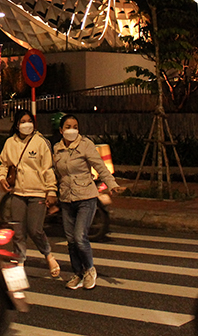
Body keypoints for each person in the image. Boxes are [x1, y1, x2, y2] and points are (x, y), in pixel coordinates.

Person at [52, 114, 122, 290]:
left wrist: (112, 184)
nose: (72, 130)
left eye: (75, 126)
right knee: (70, 240)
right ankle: (78, 273)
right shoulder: (57, 149)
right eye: (68, 126)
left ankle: (89, 269)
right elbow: (53, 173)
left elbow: (99, 166)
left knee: (79, 237)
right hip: (66, 198)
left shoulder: (86, 145)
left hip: (86, 197)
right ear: (61, 130)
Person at [0, 109, 60, 276]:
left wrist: (51, 191)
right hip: (17, 193)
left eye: (29, 121)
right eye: (23, 122)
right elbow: (3, 164)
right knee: (18, 231)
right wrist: (2, 178)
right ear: (17, 125)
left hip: (38, 193)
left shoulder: (41, 142)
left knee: (35, 230)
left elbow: (48, 169)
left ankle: (48, 255)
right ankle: (19, 262)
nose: (27, 125)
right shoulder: (10, 143)